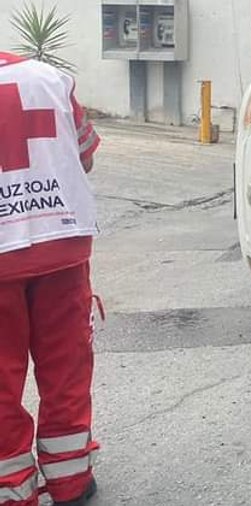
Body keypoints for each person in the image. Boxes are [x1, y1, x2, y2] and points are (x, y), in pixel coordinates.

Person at [0, 52, 101, 506]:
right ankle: (71, 481)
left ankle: (11, 491)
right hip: (60, 244)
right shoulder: (51, 77)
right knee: (66, 368)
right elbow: (85, 157)